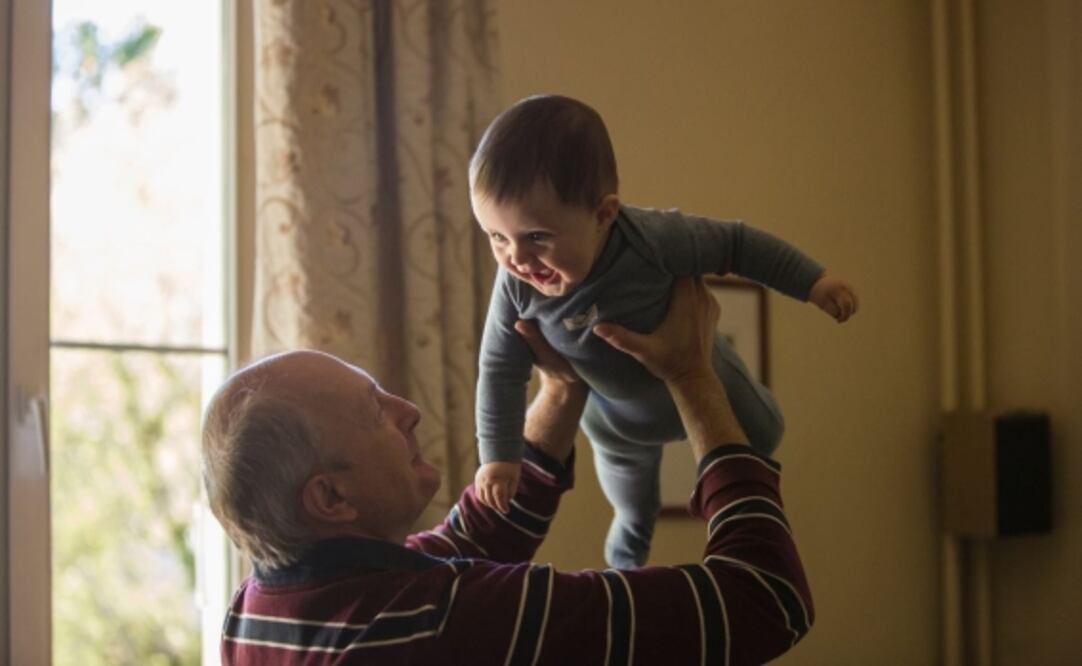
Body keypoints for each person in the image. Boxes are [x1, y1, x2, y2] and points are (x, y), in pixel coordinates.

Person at [202, 277, 814, 665]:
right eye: (375, 412)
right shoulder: (446, 625)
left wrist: (560, 388)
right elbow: (763, 601)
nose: (409, 412)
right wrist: (691, 376)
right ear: (330, 497)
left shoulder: (257, 611)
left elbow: (468, 541)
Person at [471, 94, 859, 567]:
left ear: (603, 215)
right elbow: (498, 368)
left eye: (537, 237)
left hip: (703, 372)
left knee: (766, 434)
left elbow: (737, 244)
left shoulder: (652, 239)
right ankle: (626, 562)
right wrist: (498, 456)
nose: (516, 258)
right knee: (633, 506)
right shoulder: (515, 285)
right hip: (616, 421)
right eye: (496, 237)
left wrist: (814, 282)